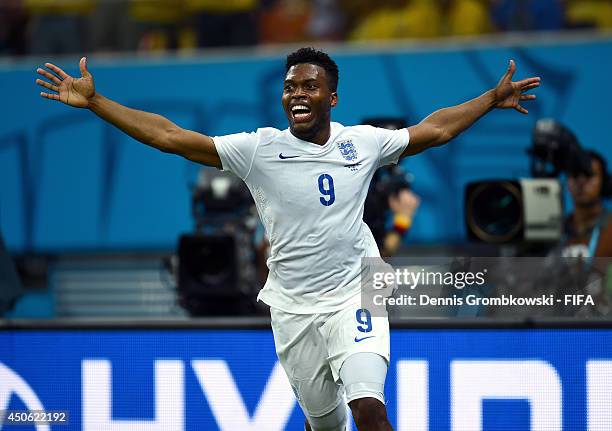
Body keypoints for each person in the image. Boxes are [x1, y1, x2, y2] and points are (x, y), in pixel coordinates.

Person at [35, 47, 539, 431]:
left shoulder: (361, 143)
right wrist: (97, 102)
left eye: (309, 86)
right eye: (290, 87)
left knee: (367, 406)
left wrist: (491, 98)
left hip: (356, 290)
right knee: (325, 424)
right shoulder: (257, 150)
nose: (297, 94)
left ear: (331, 97)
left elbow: (436, 131)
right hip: (293, 306)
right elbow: (168, 137)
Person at [562, 151, 612, 258]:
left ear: (603, 182)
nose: (581, 182)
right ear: (567, 182)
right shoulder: (557, 230)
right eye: (575, 175)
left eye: (589, 175)